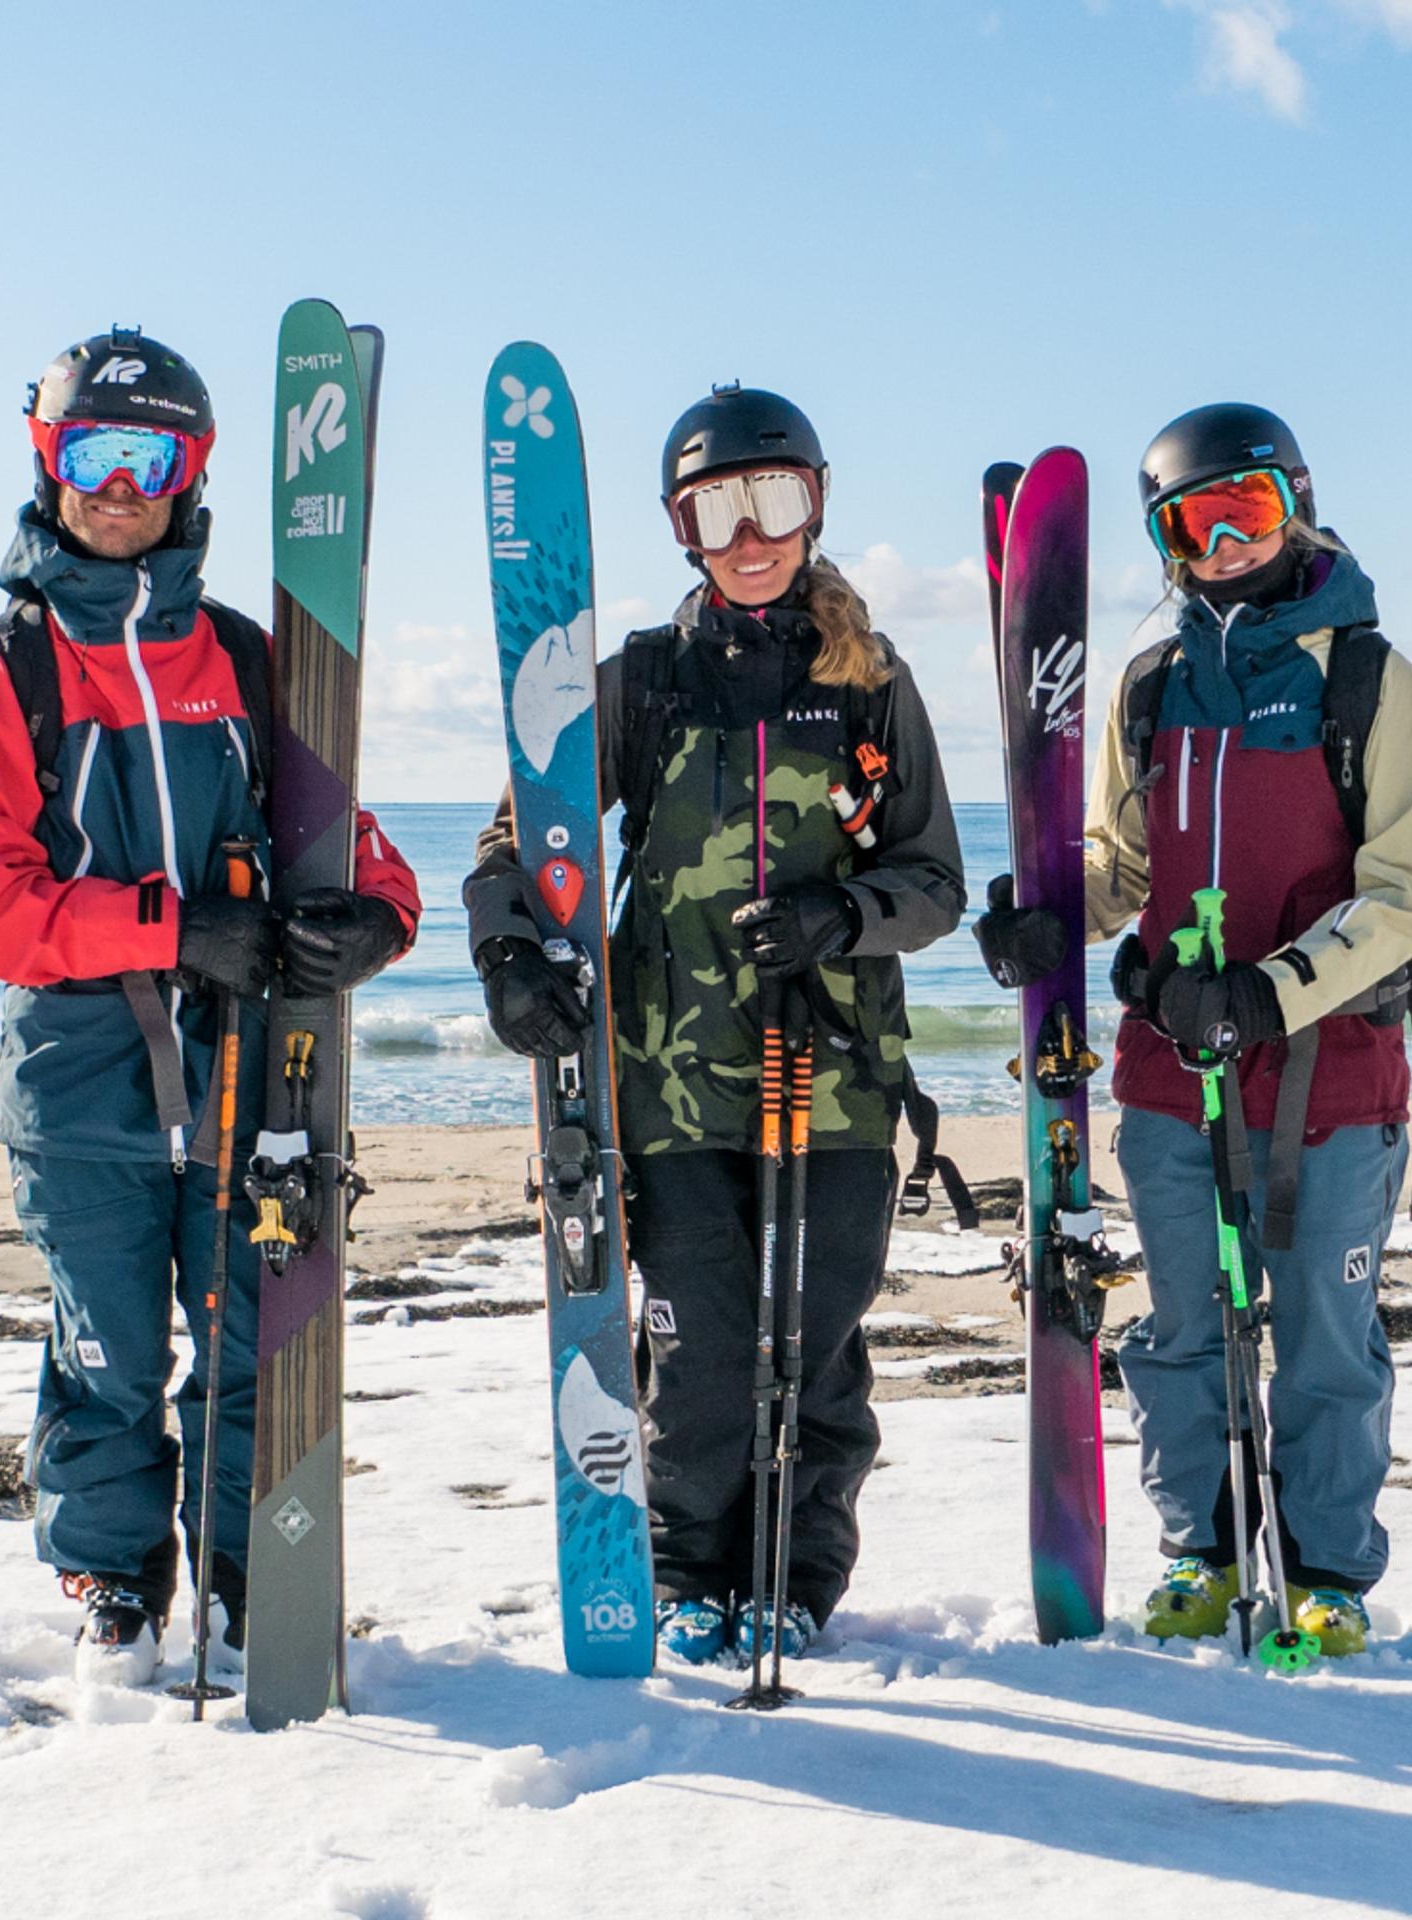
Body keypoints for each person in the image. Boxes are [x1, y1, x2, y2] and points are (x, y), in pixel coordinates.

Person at [0, 327, 419, 1683]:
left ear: (191, 471)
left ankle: (259, 1570)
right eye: (94, 452)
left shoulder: (248, 660)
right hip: (79, 1084)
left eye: (152, 456)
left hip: (252, 1075)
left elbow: (343, 831)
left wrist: (375, 912)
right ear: (51, 462)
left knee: (256, 1331)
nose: (122, 484)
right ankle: (117, 1579)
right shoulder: (11, 671)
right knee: (112, 1348)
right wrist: (175, 925)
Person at [464, 385, 967, 1665]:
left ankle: (794, 1573)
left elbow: (935, 884)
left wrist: (837, 917)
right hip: (670, 1086)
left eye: (778, 503)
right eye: (720, 509)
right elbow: (521, 840)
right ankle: (686, 1569)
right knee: (695, 1339)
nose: (753, 536)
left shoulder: (868, 681)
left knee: (815, 1332)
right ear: (684, 527)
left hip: (835, 1073)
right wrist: (509, 948)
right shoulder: (641, 683)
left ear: (816, 507)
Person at [976, 402, 1412, 1658]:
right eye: (1195, 522)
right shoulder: (1150, 687)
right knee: (1181, 1327)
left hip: (1330, 1079)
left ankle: (1327, 1571)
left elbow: (1409, 894)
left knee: (1324, 1337)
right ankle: (1198, 1547)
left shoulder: (1373, 684)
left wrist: (1266, 991)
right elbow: (1127, 863)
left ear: (1294, 504)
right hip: (1171, 1073)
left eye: (1248, 509)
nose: (1227, 542)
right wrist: (1048, 910)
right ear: (1167, 543)